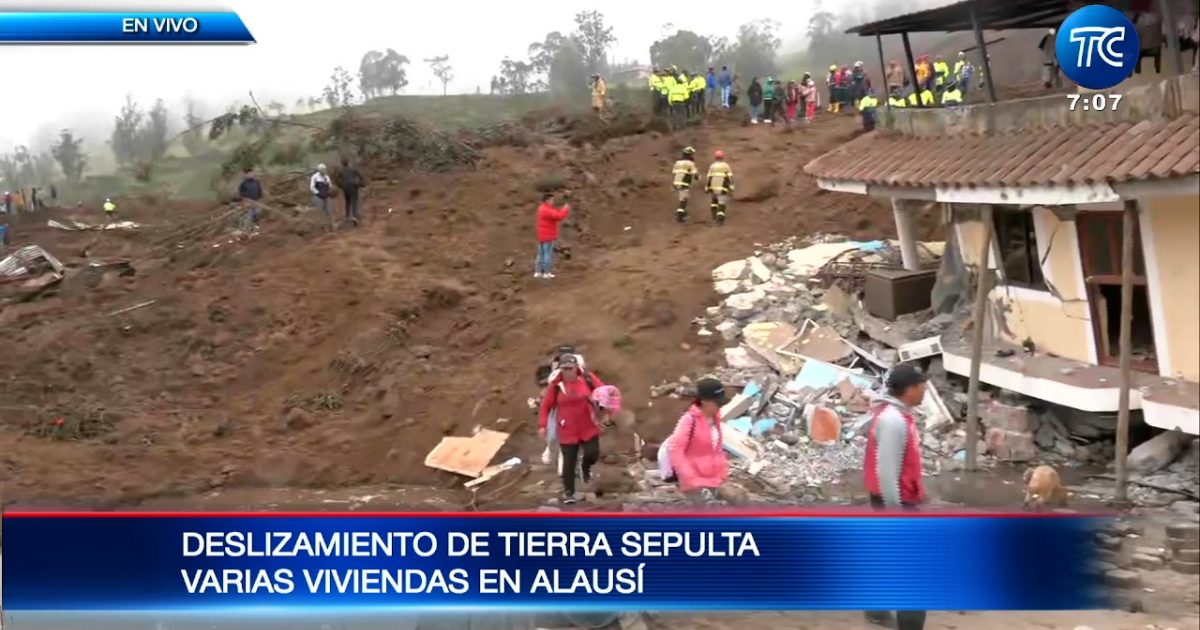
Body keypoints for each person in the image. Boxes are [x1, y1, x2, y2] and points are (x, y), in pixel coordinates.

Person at [862, 364, 929, 630]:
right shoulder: (893, 421)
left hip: (896, 498)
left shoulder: (898, 414)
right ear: (908, 390)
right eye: (920, 385)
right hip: (895, 502)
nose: (924, 390)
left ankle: (875, 609)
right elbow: (887, 472)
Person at [538, 354, 604, 505]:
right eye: (564, 369)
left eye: (570, 369)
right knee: (568, 461)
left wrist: (607, 410)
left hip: (588, 425)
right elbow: (546, 405)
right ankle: (569, 493)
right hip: (567, 428)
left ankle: (585, 466)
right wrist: (543, 425)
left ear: (576, 368)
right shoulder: (556, 385)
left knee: (592, 453)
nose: (567, 372)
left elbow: (603, 392)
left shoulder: (588, 379)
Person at [665, 377, 729, 503]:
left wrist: (723, 474)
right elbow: (675, 449)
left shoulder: (715, 418)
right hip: (695, 484)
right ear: (704, 401)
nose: (720, 407)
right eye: (718, 403)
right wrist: (689, 479)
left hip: (715, 481)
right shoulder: (689, 420)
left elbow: (717, 450)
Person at [534, 191, 570, 279]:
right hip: (548, 235)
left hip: (542, 235)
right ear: (547, 200)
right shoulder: (547, 209)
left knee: (541, 254)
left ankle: (538, 272)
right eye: (551, 200)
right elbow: (559, 216)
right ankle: (547, 272)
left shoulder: (542, 208)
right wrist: (565, 209)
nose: (553, 202)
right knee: (547, 254)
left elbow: (555, 214)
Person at [705, 150, 734, 226]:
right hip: (722, 188)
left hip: (713, 188)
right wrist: (731, 186)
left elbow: (709, 177)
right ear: (722, 157)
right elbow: (730, 177)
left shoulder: (712, 166)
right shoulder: (726, 166)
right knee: (721, 202)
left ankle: (714, 216)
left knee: (714, 202)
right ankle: (720, 220)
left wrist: (707, 186)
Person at [671, 146, 699, 223]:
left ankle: (683, 212)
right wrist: (697, 178)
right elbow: (695, 174)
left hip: (676, 182)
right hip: (684, 183)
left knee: (682, 198)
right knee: (684, 200)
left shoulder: (677, 162)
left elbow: (674, 173)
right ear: (689, 155)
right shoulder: (690, 163)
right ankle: (680, 216)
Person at [339, 158, 366, 226]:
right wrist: (361, 184)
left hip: (345, 188)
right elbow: (361, 176)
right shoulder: (353, 169)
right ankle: (354, 216)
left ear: (342, 164)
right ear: (348, 162)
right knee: (354, 201)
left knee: (347, 202)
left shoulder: (341, 171)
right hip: (353, 187)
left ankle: (347, 216)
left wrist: (341, 186)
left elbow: (337, 179)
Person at [237, 167, 264, 232]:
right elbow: (241, 194)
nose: (250, 175)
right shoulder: (243, 184)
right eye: (248, 174)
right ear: (246, 175)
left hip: (256, 201)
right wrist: (245, 201)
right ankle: (248, 228)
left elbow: (260, 191)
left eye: (251, 173)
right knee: (249, 215)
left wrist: (260, 199)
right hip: (248, 202)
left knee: (258, 213)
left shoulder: (257, 182)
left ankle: (256, 225)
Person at [309, 164, 334, 229]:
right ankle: (323, 226)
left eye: (324, 169)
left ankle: (331, 225)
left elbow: (330, 186)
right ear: (319, 170)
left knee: (329, 211)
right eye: (322, 170)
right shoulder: (315, 177)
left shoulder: (327, 177)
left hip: (327, 196)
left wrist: (331, 191)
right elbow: (312, 187)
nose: (324, 171)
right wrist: (318, 193)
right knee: (320, 212)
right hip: (318, 197)